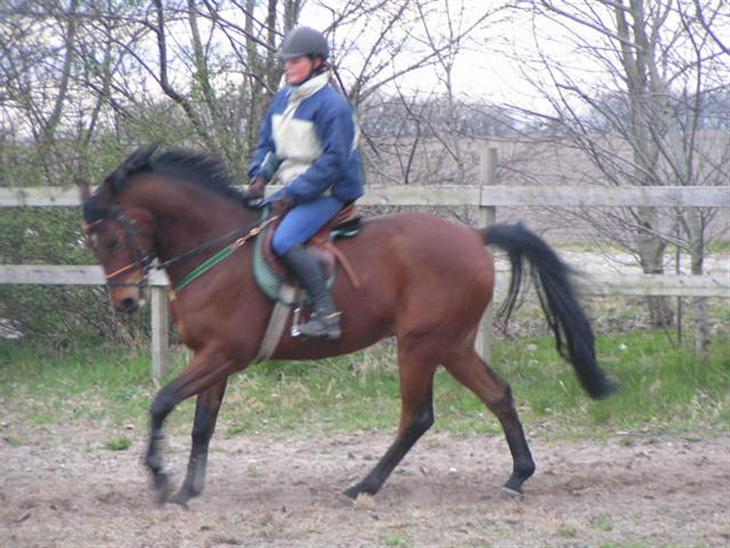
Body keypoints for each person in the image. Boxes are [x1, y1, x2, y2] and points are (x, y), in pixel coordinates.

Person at [245, 26, 364, 339]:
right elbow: (269, 145)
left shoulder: (332, 106)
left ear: (317, 62)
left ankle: (327, 314)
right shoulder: (283, 100)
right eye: (286, 61)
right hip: (295, 188)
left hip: (330, 191)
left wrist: (293, 195)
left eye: (295, 61)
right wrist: (259, 177)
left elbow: (334, 162)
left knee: (284, 240)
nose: (288, 66)